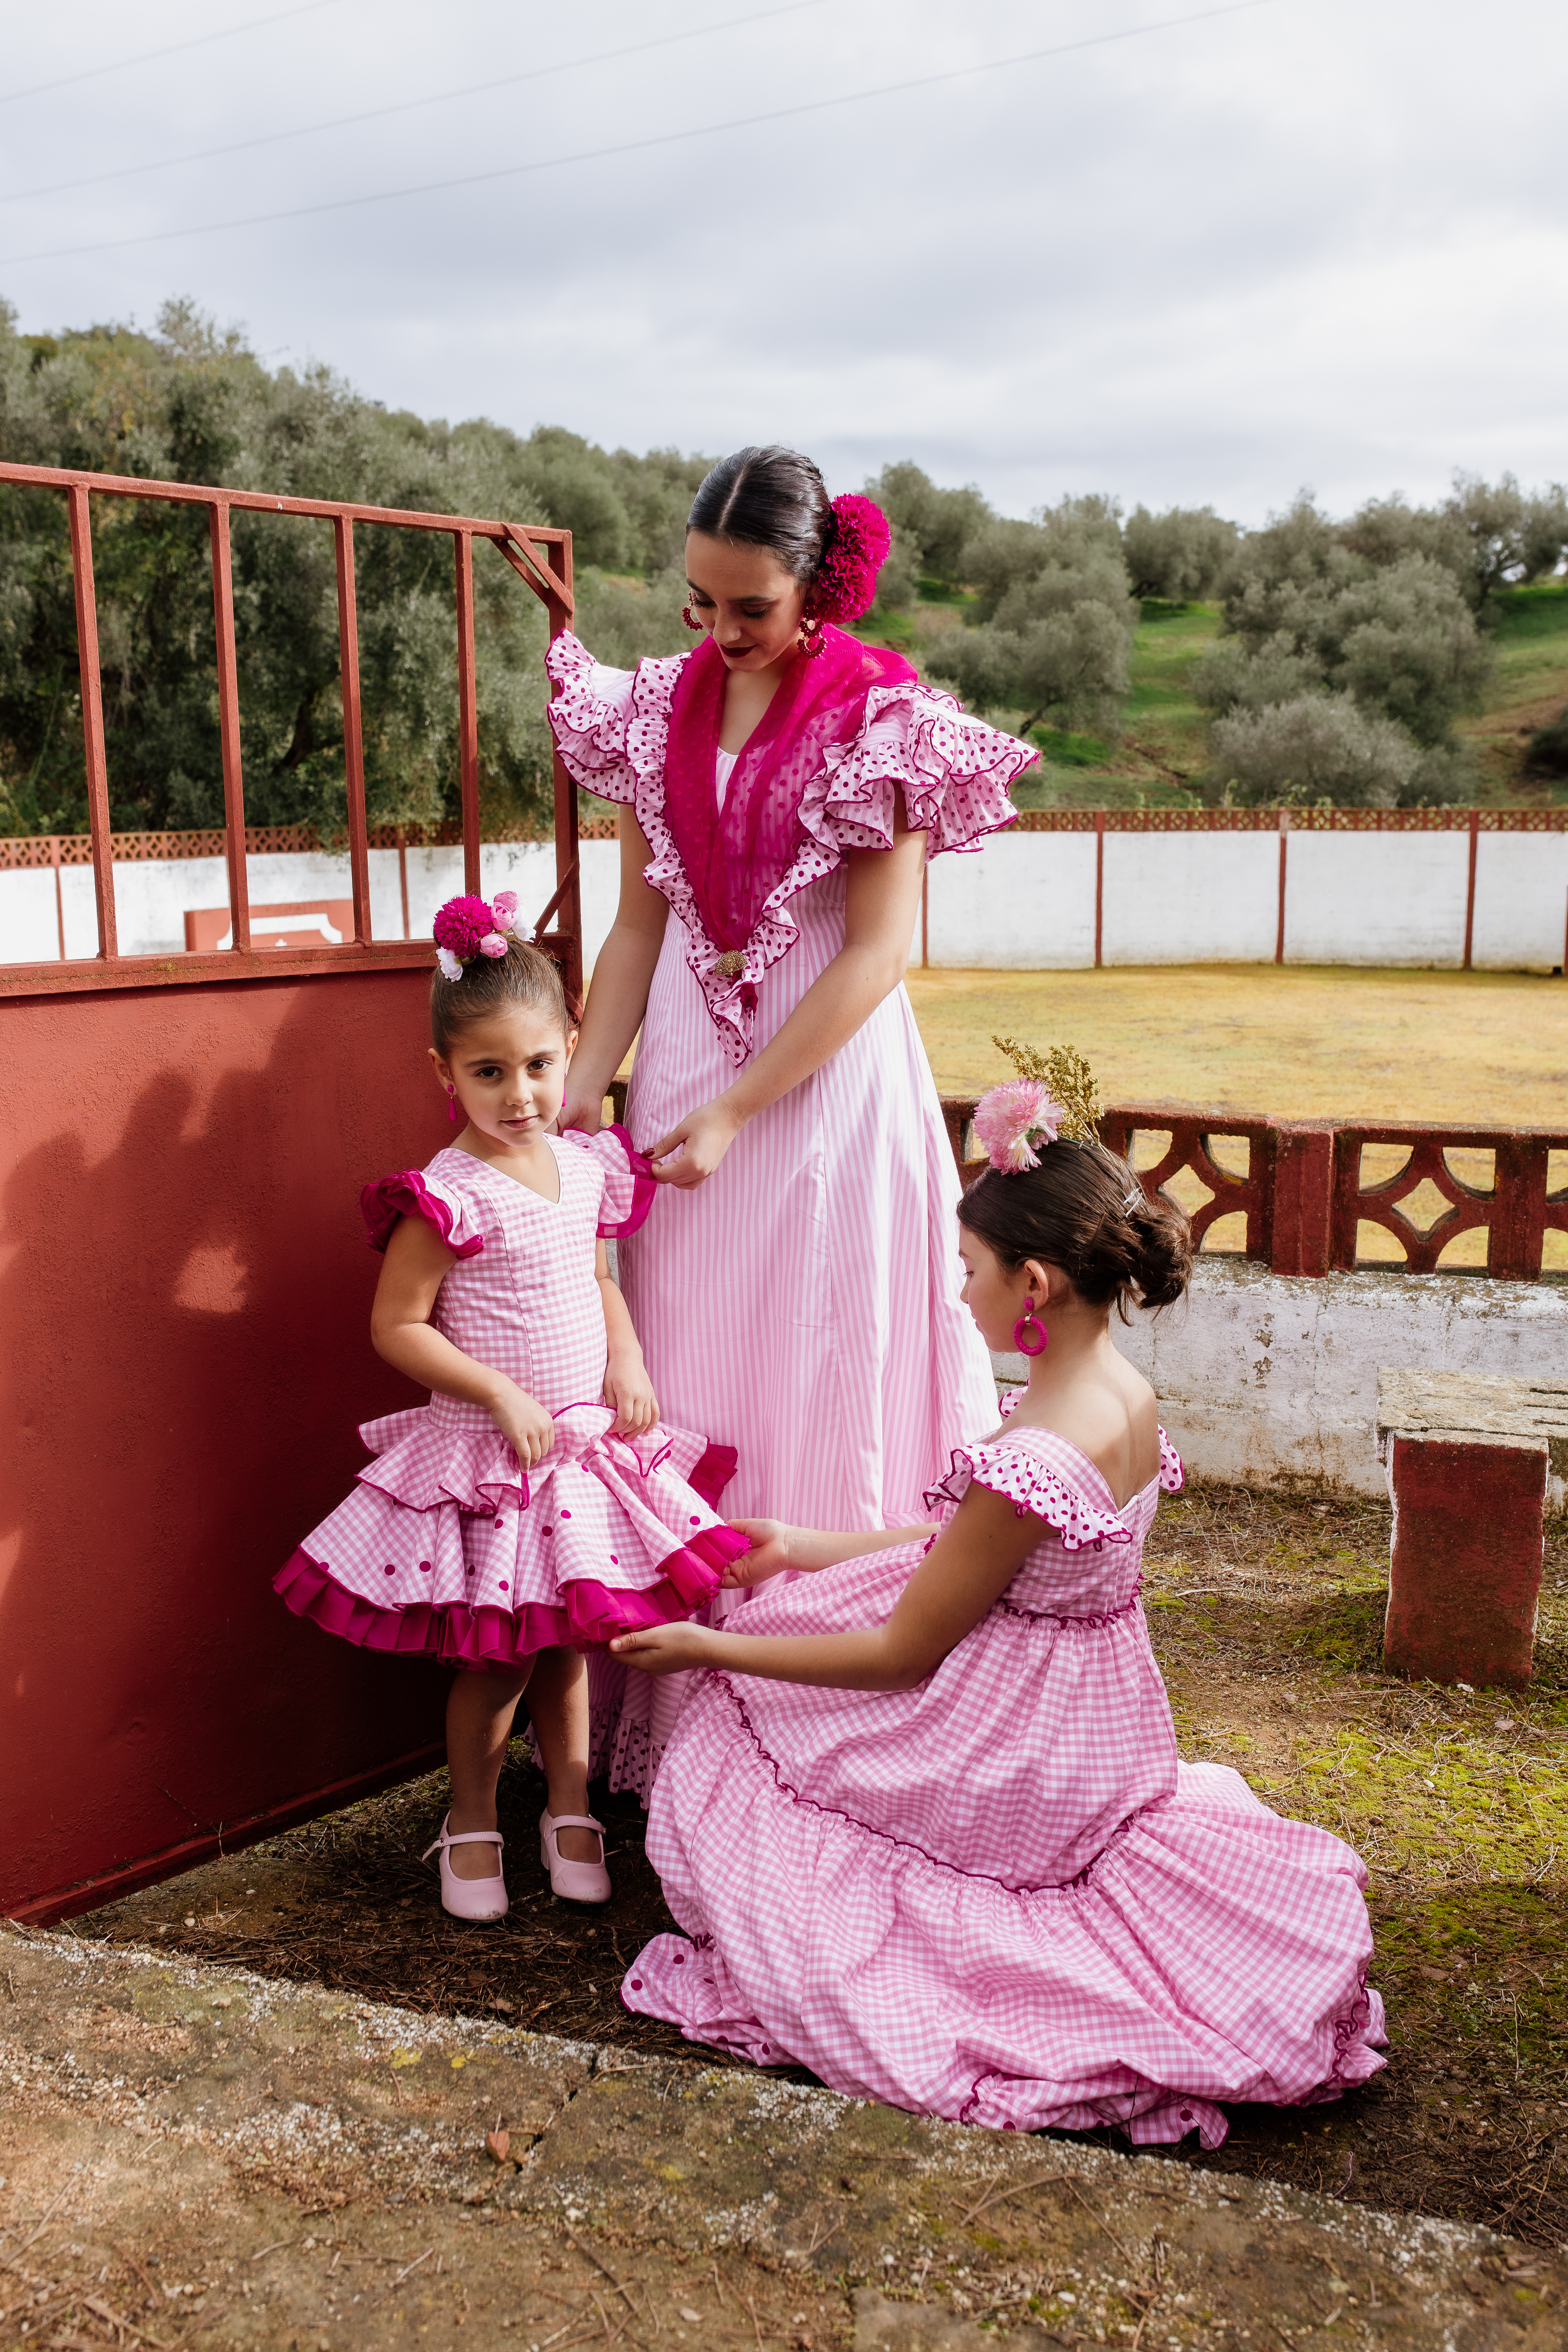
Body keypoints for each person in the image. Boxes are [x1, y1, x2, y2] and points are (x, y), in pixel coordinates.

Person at [607, 1054, 1386, 2146]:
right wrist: (812, 1546)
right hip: (1100, 1723)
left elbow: (898, 1656)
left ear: (1035, 1286)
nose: (955, 1289)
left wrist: (709, 1650)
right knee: (787, 1617)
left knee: (750, 1717)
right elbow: (977, 1543)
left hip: (1018, 1737)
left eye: (967, 1266)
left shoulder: (1038, 1445)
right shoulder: (1120, 1394)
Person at [547, 446, 1037, 1797]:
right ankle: (679, 1724)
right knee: (687, 1361)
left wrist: (735, 1114)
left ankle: (827, 1721)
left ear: (818, 587)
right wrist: (589, 1082)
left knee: (825, 1358)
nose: (717, 633)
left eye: (747, 608)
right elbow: (641, 924)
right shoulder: (659, 712)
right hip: (692, 1073)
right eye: (699, 603)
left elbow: (879, 953)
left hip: (825, 1089)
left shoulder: (883, 719)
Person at [273, 893, 748, 1922]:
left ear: (572, 1048)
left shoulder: (583, 1168)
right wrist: (495, 1390)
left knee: (568, 1647)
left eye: (539, 1066)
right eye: (489, 1073)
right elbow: (398, 1328)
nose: (521, 1094)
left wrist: (627, 1365)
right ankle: (475, 1816)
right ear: (445, 1075)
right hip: (492, 1458)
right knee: (497, 1665)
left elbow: (597, 1283)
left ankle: (568, 1806)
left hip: (575, 1453)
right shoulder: (447, 1194)